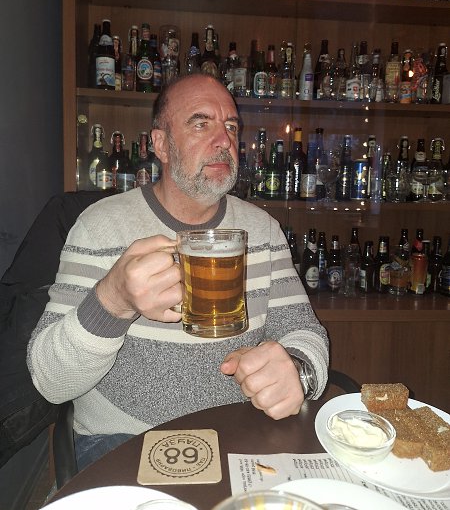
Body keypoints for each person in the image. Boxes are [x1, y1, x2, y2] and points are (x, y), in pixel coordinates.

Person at [27, 74, 329, 470]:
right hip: (124, 438)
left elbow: (305, 330)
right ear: (160, 144)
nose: (224, 140)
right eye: (201, 123)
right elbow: (50, 382)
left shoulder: (263, 230)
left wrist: (298, 372)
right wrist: (113, 300)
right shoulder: (99, 227)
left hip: (240, 430)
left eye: (231, 126)